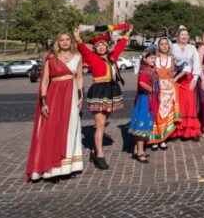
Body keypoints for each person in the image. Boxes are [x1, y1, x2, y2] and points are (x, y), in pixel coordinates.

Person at [26, 33, 83, 182]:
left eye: (67, 40)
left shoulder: (78, 57)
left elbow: (79, 77)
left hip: (73, 97)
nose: (64, 42)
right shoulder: (52, 58)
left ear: (71, 42)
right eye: (61, 40)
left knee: (71, 128)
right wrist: (44, 102)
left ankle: (67, 167)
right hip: (55, 95)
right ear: (58, 42)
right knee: (52, 129)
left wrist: (81, 95)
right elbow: (45, 81)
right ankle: (51, 169)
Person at [73, 26, 130, 170]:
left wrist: (127, 34)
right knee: (100, 124)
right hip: (99, 91)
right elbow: (82, 49)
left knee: (103, 122)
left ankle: (96, 152)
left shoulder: (112, 58)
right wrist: (78, 38)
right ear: (95, 48)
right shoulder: (91, 58)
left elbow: (119, 47)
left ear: (106, 46)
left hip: (112, 90)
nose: (100, 47)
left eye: (102, 45)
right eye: (98, 46)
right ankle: (99, 155)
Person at [171, 26, 203, 141]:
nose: (184, 36)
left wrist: (195, 79)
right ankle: (176, 131)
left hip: (188, 79)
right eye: (182, 35)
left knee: (190, 103)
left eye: (186, 35)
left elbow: (196, 63)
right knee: (177, 104)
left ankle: (192, 131)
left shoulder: (192, 48)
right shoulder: (173, 47)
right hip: (176, 79)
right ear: (178, 37)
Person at [149, 37, 182, 149]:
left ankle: (162, 139)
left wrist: (176, 78)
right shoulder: (154, 59)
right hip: (157, 90)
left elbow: (187, 65)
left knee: (166, 114)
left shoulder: (172, 59)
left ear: (169, 46)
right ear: (158, 46)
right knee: (156, 114)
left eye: (166, 44)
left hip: (169, 91)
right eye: (161, 44)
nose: (164, 46)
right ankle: (155, 139)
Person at [128, 51, 158, 164]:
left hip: (149, 99)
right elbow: (141, 82)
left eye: (154, 58)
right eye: (151, 58)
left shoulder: (152, 69)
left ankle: (136, 150)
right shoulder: (144, 70)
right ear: (145, 59)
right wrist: (150, 90)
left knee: (144, 124)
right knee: (142, 126)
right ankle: (140, 153)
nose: (153, 60)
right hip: (144, 100)